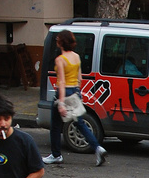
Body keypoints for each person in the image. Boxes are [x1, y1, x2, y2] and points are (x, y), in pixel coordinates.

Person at [43, 29, 107, 167]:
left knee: (55, 125)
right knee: (80, 123)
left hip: (63, 92)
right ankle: (97, 148)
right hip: (75, 91)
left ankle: (56, 155)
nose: (56, 41)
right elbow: (80, 78)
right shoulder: (76, 57)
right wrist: (78, 94)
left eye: (57, 39)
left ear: (61, 42)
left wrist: (60, 103)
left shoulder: (60, 59)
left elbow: (61, 82)